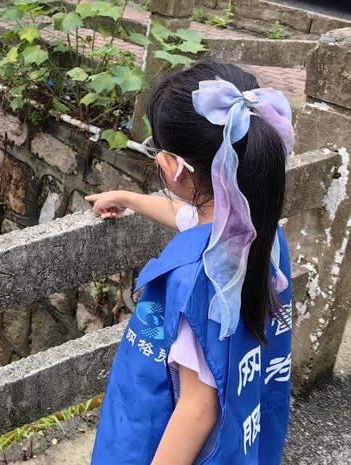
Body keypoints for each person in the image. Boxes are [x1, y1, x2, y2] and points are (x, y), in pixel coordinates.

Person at [85, 60, 295, 465]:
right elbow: (189, 216)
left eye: (156, 151)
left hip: (157, 441)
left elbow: (198, 409)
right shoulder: (260, 235)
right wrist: (128, 198)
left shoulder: (199, 278)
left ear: (174, 168)